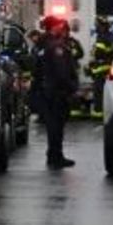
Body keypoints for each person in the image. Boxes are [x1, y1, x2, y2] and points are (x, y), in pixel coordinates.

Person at [30, 15, 81, 169]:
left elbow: (36, 69)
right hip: (56, 93)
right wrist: (72, 87)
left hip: (45, 91)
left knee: (53, 125)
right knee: (56, 126)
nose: (61, 27)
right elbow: (62, 72)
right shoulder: (55, 46)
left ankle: (54, 155)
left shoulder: (42, 44)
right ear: (54, 27)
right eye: (59, 24)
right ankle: (56, 156)